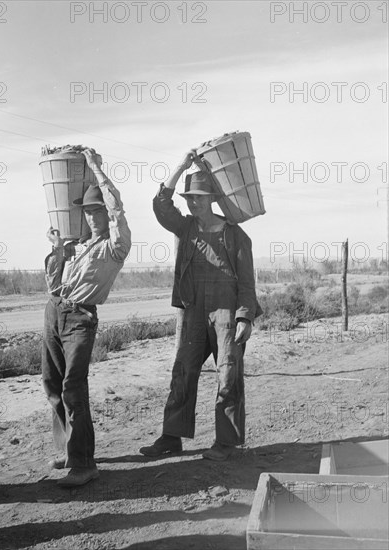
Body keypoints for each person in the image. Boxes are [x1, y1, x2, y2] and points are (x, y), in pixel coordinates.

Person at [139, 151, 261, 461]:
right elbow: (161, 206)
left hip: (227, 313)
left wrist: (245, 317)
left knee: (228, 374)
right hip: (194, 311)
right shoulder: (187, 227)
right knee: (183, 370)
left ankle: (227, 442)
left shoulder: (235, 236)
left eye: (200, 197)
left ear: (212, 199)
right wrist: (180, 166)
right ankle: (171, 437)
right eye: (190, 198)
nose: (194, 203)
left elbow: (247, 283)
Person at [42, 148, 131, 487]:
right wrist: (58, 250)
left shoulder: (115, 246)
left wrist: (94, 166)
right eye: (88, 211)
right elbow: (52, 284)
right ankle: (68, 449)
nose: (93, 217)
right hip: (55, 311)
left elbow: (117, 208)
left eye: (98, 211)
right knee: (52, 383)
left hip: (80, 318)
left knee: (72, 388)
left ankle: (84, 464)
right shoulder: (77, 245)